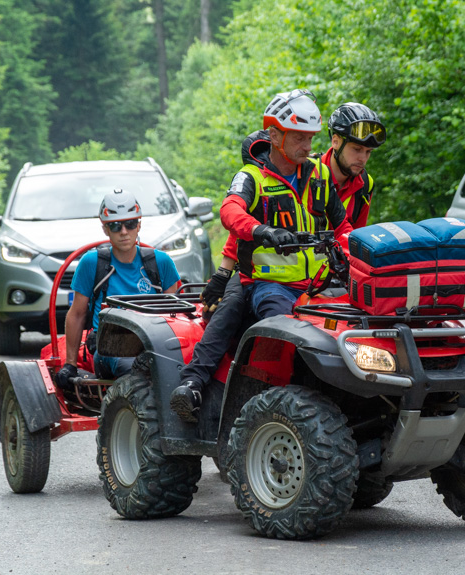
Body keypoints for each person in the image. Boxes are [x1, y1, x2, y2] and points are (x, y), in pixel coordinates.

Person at [169, 90, 359, 423]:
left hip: (320, 286)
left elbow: (343, 225)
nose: (307, 145)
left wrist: (347, 253)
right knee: (281, 334)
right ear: (274, 135)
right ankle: (260, 401)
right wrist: (263, 232)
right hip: (270, 285)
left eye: (311, 138)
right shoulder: (250, 177)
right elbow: (229, 213)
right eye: (298, 137)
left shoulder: (320, 175)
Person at [55, 189, 180, 389]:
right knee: (135, 367)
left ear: (139, 224)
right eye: (115, 226)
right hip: (110, 350)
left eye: (130, 224)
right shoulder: (92, 263)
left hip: (154, 345)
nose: (123, 232)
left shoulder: (161, 263)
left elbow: (175, 317)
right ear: (105, 229)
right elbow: (77, 314)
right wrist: (70, 364)